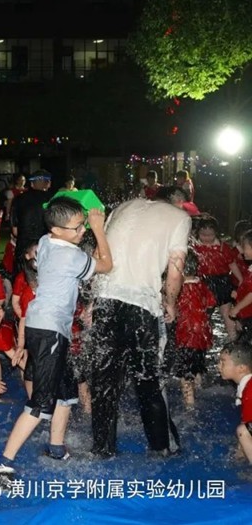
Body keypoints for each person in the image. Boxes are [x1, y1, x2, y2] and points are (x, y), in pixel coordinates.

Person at [0, 198, 112, 481]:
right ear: (57, 229)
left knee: (66, 392)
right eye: (77, 227)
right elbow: (106, 265)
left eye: (83, 224)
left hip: (47, 327)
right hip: (49, 331)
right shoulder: (69, 256)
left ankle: (56, 448)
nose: (83, 231)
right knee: (41, 403)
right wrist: (98, 228)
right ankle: (0, 463)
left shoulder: (45, 242)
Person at [89, 186, 191, 458]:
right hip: (142, 306)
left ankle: (102, 448)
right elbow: (176, 269)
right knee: (148, 379)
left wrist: (90, 304)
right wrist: (170, 302)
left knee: (104, 379)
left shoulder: (124, 206)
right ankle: (161, 446)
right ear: (177, 203)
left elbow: (100, 255)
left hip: (105, 300)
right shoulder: (179, 217)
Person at [173, 250, 216, 407]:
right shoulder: (202, 285)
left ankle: (190, 405)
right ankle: (199, 388)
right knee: (197, 367)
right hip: (202, 336)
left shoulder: (179, 289)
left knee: (185, 373)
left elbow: (173, 309)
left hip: (186, 336)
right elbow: (211, 304)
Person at [193, 216, 244, 341]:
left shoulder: (223, 247)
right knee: (204, 313)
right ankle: (203, 338)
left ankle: (233, 337)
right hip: (203, 283)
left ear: (216, 233)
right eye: (203, 234)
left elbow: (232, 264)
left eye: (210, 235)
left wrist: (240, 279)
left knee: (226, 312)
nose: (206, 238)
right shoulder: (195, 247)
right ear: (197, 233)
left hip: (222, 281)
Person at [11, 170, 53, 274]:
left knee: (22, 278)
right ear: (48, 183)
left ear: (32, 184)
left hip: (24, 248)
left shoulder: (18, 199)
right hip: (47, 247)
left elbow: (15, 231)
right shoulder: (53, 201)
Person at [218, 343, 252, 467]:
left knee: (242, 431)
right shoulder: (246, 386)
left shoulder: (249, 392)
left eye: (223, 362)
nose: (218, 366)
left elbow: (246, 429)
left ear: (241, 368)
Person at [230, 230, 252, 340]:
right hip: (246, 314)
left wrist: (237, 308)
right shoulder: (250, 268)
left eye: (244, 247)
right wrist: (238, 293)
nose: (242, 251)